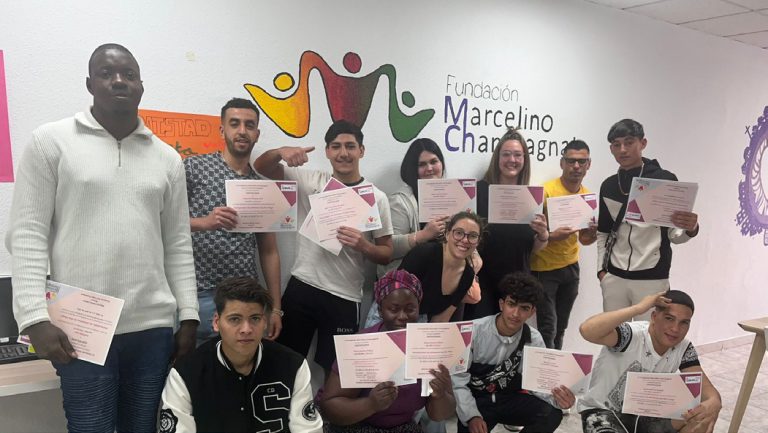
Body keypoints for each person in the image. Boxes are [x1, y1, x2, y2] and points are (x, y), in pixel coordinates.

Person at [5, 43, 198, 432]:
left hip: (153, 328)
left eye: (129, 74)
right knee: (90, 427)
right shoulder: (50, 141)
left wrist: (189, 315)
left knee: (143, 428)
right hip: (80, 329)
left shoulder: (167, 159)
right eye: (107, 74)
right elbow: (27, 234)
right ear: (89, 84)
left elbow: (177, 243)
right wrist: (33, 317)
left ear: (141, 86)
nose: (119, 81)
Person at [253, 120, 393, 374]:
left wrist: (364, 245)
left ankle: (328, 403)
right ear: (327, 151)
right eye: (336, 146)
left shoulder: (376, 198)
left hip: (344, 296)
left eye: (350, 146)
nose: (343, 153)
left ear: (361, 151)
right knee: (283, 363)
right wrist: (280, 152)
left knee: (337, 373)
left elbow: (386, 253)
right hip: (302, 286)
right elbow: (262, 166)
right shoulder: (311, 181)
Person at [160, 277, 322, 433]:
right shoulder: (186, 373)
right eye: (235, 319)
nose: (246, 329)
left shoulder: (292, 366)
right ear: (216, 322)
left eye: (255, 319)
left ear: (265, 322)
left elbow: (308, 430)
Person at [184, 98, 282, 344]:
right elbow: (163, 221)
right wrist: (204, 223)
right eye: (235, 123)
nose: (242, 131)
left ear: (257, 134)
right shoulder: (194, 168)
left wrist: (276, 309)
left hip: (245, 298)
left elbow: (269, 251)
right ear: (222, 130)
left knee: (241, 366)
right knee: (195, 365)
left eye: (249, 125)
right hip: (198, 294)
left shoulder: (261, 187)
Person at [317, 269, 456, 433]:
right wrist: (370, 404)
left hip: (402, 427)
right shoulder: (361, 345)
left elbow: (439, 415)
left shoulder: (429, 347)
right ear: (380, 310)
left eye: (410, 309)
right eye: (394, 309)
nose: (402, 316)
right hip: (354, 425)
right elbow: (329, 408)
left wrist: (440, 395)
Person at [597, 119, 700, 320]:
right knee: (614, 334)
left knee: (649, 335)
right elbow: (603, 232)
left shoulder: (664, 180)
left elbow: (674, 235)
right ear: (611, 149)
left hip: (652, 278)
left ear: (642, 143)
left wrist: (691, 229)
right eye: (617, 145)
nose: (623, 150)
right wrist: (602, 271)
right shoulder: (608, 185)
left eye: (629, 142)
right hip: (614, 277)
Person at [578, 290, 721, 433]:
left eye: (684, 322)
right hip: (604, 412)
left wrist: (714, 403)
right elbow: (586, 330)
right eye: (669, 318)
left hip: (646, 415)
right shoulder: (631, 335)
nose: (675, 329)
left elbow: (710, 394)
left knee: (700, 418)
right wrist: (638, 308)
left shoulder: (683, 347)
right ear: (654, 317)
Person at [453, 272, 575, 433]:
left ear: (532, 312)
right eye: (511, 304)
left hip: (509, 400)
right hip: (478, 402)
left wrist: (559, 399)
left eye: (524, 308)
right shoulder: (473, 331)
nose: (516, 314)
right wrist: (471, 416)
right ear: (501, 304)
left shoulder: (533, 339)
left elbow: (537, 385)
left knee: (551, 413)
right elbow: (458, 380)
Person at [465, 128, 549, 320]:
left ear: (524, 159)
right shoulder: (479, 191)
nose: (512, 159)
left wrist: (543, 235)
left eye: (518, 155)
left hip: (517, 284)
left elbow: (533, 248)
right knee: (480, 334)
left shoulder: (532, 197)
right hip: (482, 282)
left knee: (510, 334)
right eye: (506, 154)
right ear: (497, 158)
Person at [531, 139, 597, 349]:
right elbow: (531, 234)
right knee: (547, 327)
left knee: (561, 327)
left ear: (588, 164)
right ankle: (544, 367)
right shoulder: (546, 191)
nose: (576, 166)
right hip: (543, 269)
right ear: (562, 163)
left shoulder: (587, 196)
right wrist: (552, 236)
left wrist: (593, 233)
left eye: (581, 161)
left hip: (571, 268)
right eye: (571, 161)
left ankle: (555, 364)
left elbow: (584, 239)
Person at [382, 138, 450, 275]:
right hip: (407, 279)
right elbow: (389, 248)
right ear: (413, 168)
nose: (429, 168)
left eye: (434, 161)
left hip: (442, 274)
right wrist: (424, 235)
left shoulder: (452, 196)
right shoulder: (399, 201)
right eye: (422, 164)